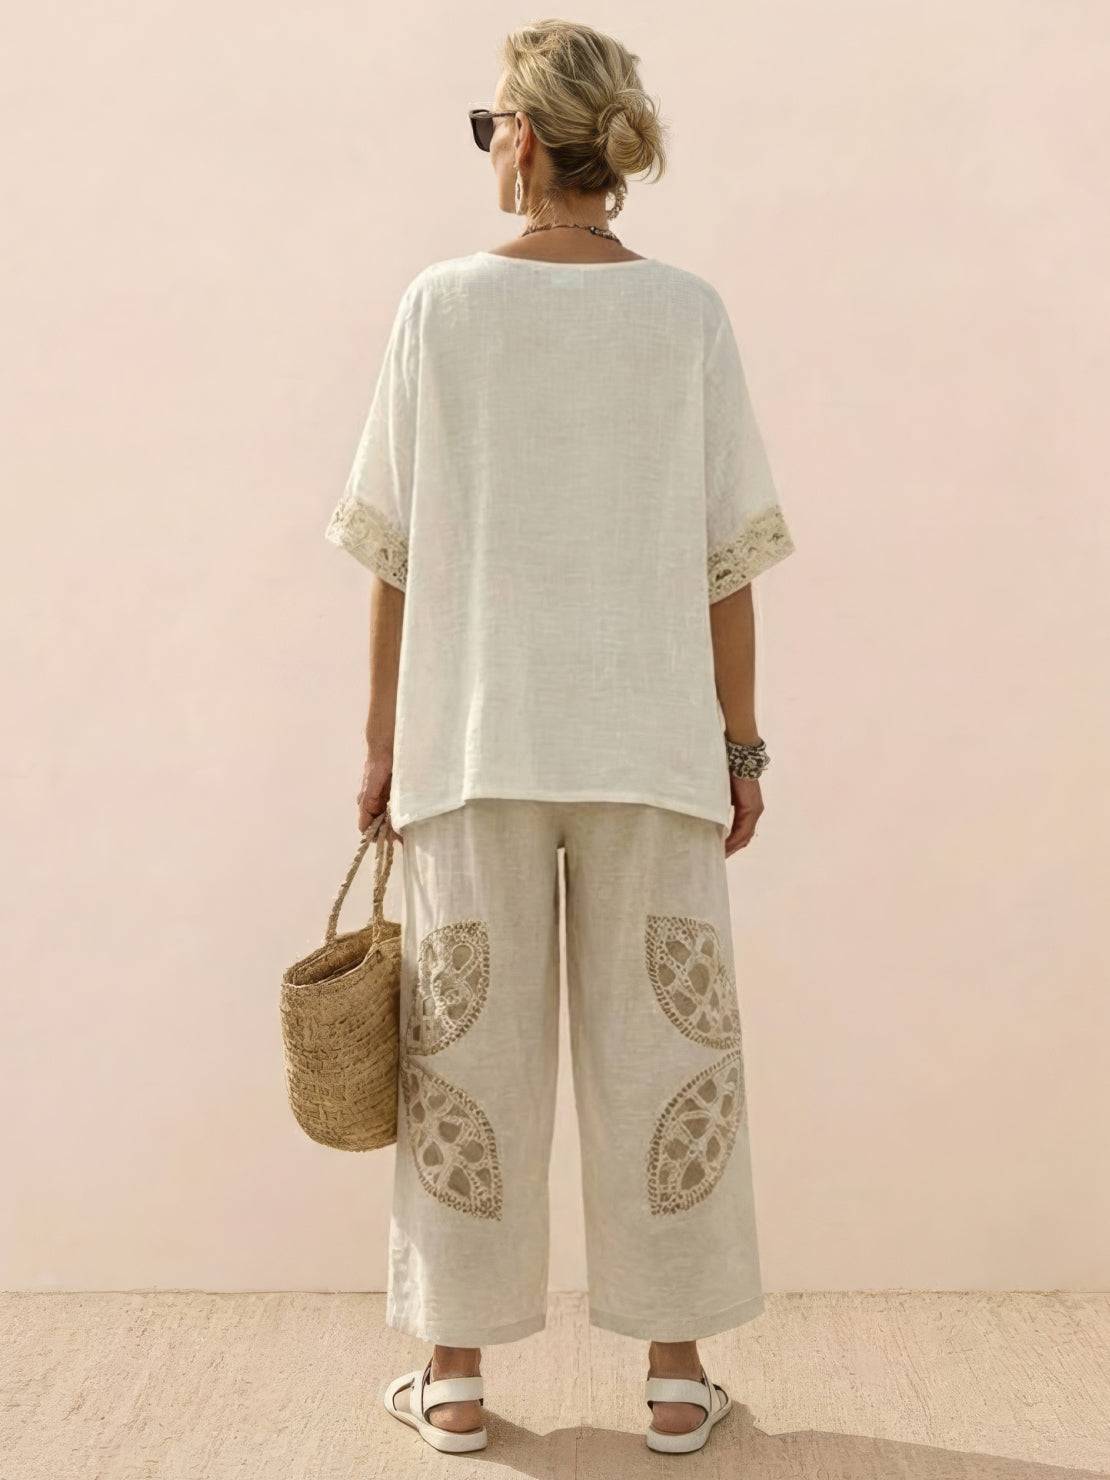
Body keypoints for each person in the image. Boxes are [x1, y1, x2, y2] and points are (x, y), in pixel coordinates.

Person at [324, 19, 796, 1458]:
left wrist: (379, 743)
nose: (488, 148)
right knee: (666, 1059)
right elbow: (727, 561)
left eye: (489, 127)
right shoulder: (686, 314)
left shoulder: (440, 307)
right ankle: (675, 1376)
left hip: (474, 743)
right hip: (648, 744)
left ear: (523, 138)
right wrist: (740, 746)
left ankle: (456, 1375)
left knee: (463, 1061)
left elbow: (393, 554)